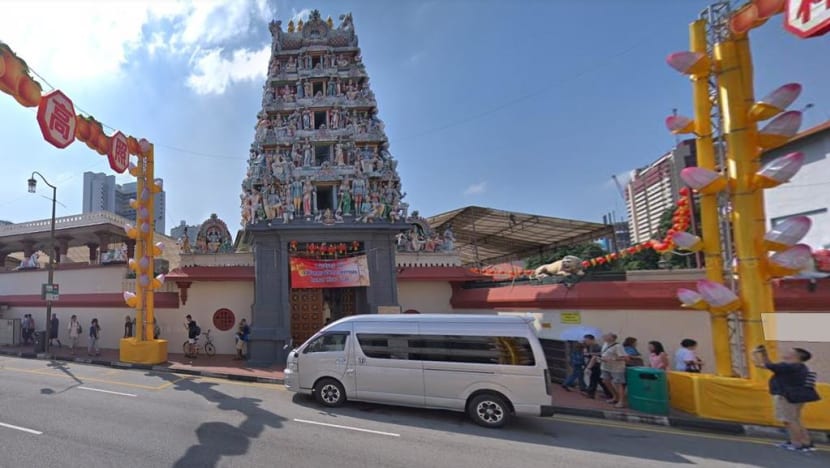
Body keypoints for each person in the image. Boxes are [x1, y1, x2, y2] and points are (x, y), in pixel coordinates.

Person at [752, 345, 820, 452]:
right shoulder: (799, 367)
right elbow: (771, 365)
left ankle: (796, 443)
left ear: (796, 356)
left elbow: (760, 365)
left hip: (786, 397)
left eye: (789, 351)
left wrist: (754, 354)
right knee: (796, 419)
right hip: (796, 397)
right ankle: (806, 442)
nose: (786, 352)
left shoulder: (788, 367)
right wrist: (764, 354)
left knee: (789, 420)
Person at [600, 333, 629, 408]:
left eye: (607, 336)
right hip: (605, 367)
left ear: (612, 338)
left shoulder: (618, 346)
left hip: (616, 368)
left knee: (618, 384)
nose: (604, 336)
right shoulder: (605, 344)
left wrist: (612, 359)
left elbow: (626, 358)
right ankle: (615, 397)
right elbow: (604, 354)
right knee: (606, 381)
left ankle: (621, 402)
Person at [582, 334, 613, 400]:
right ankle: (609, 394)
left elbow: (600, 355)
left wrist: (589, 355)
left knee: (594, 380)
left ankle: (591, 393)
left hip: (597, 365)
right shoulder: (589, 347)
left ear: (592, 340)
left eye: (587, 340)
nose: (586, 342)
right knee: (599, 380)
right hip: (594, 365)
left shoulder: (597, 347)